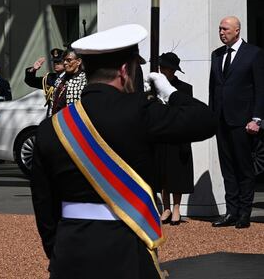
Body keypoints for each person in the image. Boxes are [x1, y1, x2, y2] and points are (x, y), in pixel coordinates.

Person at [31, 24, 216, 279]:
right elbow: (206, 121)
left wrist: (58, 249)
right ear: (125, 71)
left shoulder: (52, 127)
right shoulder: (140, 111)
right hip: (128, 247)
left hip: (70, 250)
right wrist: (171, 93)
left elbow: (44, 205)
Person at [208, 16, 264, 229]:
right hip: (221, 120)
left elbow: (260, 88)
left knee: (244, 168)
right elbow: (214, 88)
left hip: (243, 121)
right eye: (220, 29)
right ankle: (231, 212)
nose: (221, 32)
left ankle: (244, 213)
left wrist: (257, 119)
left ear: (237, 30)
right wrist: (211, 117)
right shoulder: (217, 54)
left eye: (225, 29)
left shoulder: (254, 54)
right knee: (227, 168)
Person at [152, 52, 194, 226]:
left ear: (173, 70)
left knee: (178, 172)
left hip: (178, 135)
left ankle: (176, 207)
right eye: (161, 67)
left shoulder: (184, 88)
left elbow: (188, 113)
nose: (162, 70)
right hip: (161, 134)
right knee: (161, 172)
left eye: (166, 68)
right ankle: (166, 208)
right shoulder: (154, 87)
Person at [25, 48, 65, 113]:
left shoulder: (70, 78)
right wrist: (33, 69)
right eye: (54, 62)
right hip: (51, 114)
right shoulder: (50, 77)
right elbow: (31, 81)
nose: (55, 64)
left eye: (59, 62)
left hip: (64, 113)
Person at [48, 49, 87, 116]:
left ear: (78, 61)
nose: (65, 63)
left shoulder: (84, 80)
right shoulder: (60, 79)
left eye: (69, 60)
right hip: (56, 119)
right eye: (64, 60)